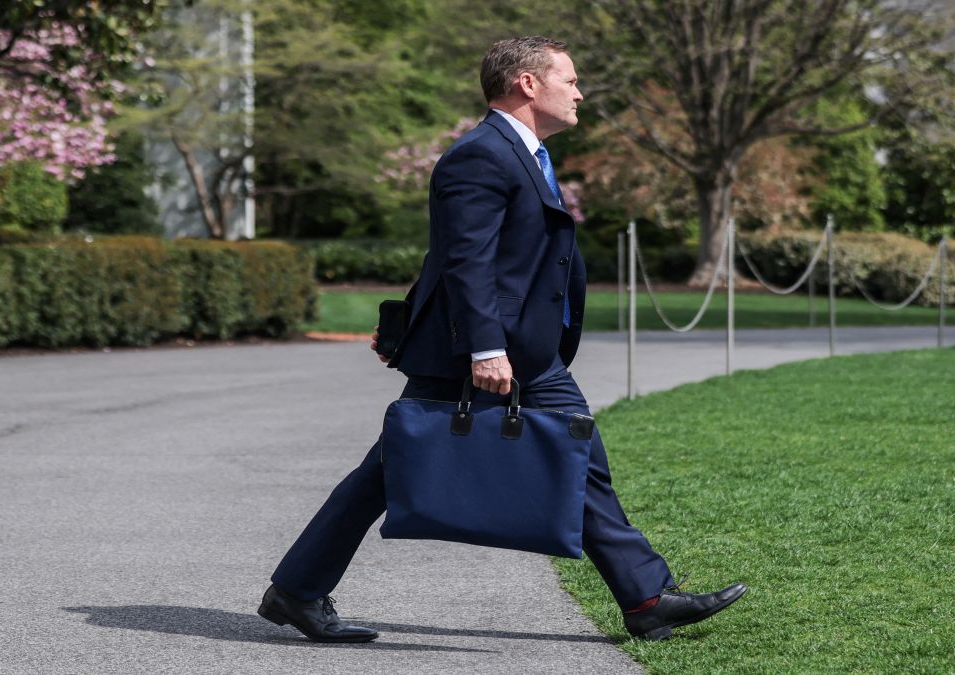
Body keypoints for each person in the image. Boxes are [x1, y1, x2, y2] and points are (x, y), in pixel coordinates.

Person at [257, 36, 746, 644]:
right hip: (489, 353)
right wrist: (486, 346)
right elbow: (464, 260)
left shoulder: (523, 152)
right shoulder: (482, 155)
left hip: (528, 352)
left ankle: (646, 597)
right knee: (399, 469)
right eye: (569, 80)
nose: (579, 93)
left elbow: (472, 256)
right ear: (527, 84)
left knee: (577, 461)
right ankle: (298, 591)